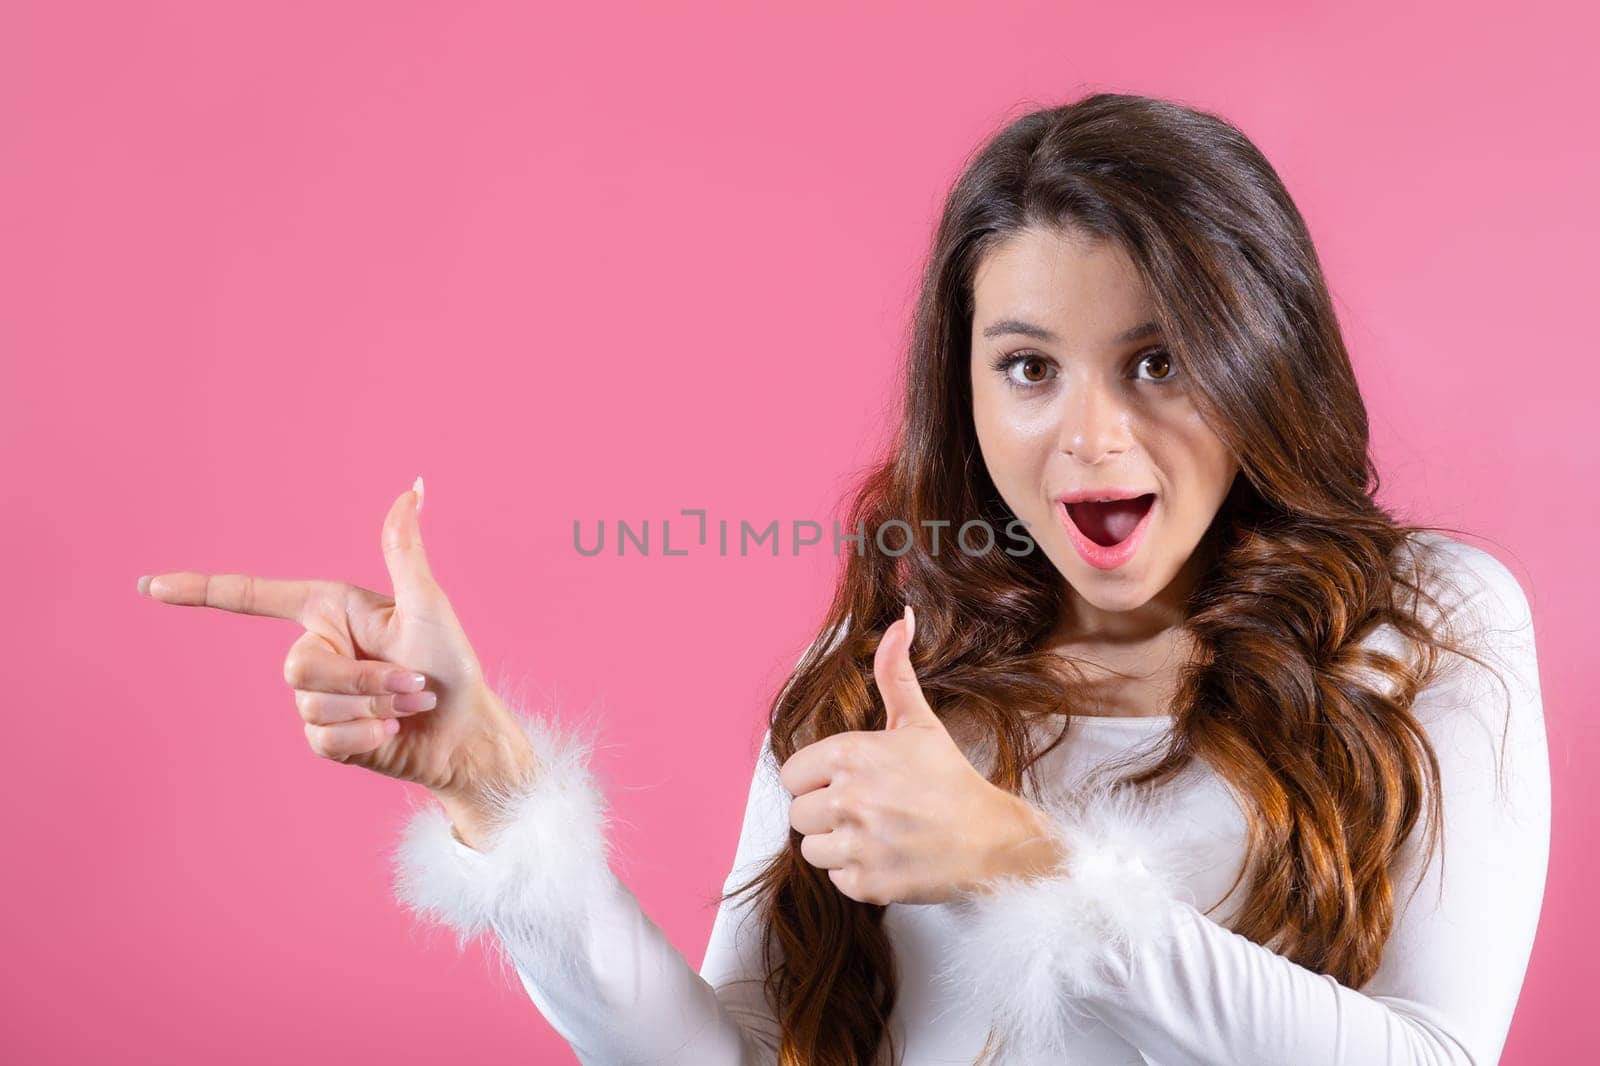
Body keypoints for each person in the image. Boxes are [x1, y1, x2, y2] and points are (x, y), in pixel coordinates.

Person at [137, 92, 1550, 1065]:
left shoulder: (1426, 629)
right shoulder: (901, 649)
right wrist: (501, 797)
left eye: (1160, 358)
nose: (1091, 434)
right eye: (1028, 367)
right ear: (967, 386)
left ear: (1262, 354)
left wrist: (1026, 868)